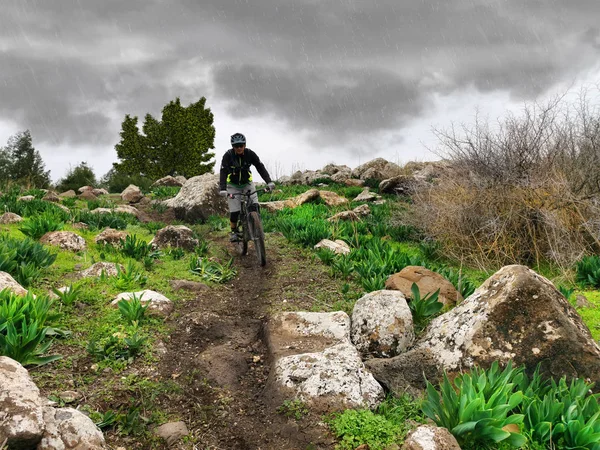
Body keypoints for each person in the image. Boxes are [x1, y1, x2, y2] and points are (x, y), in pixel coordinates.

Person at [219, 132, 275, 242]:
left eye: (241, 145)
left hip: (247, 184)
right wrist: (223, 189)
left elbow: (260, 167)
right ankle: (234, 231)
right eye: (236, 146)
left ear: (244, 145)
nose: (239, 148)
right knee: (235, 211)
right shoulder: (228, 156)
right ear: (233, 147)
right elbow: (223, 172)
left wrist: (269, 181)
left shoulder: (250, 154)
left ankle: (256, 227)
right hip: (233, 185)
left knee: (254, 206)